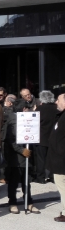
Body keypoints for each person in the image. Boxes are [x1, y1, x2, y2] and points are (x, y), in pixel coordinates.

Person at [4, 99, 40, 214]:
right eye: (28, 108)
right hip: (16, 157)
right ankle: (12, 203)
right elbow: (10, 140)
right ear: (24, 109)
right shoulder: (13, 120)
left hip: (26, 156)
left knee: (27, 181)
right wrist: (21, 150)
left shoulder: (27, 120)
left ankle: (29, 202)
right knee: (14, 181)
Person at [34, 90, 58, 184]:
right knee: (53, 159)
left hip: (41, 137)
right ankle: (52, 177)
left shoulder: (40, 109)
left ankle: (40, 177)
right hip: (54, 137)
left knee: (41, 159)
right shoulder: (57, 108)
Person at [49, 93, 65, 222]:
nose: (56, 102)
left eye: (58, 100)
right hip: (59, 158)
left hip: (62, 159)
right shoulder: (61, 116)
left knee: (62, 186)